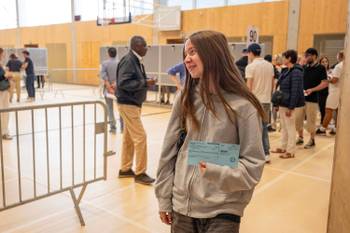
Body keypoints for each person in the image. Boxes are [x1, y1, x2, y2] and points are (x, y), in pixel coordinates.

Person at [155, 30, 265, 233]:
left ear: (213, 54)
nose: (187, 59)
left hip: (223, 211)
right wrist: (164, 198)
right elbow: (168, 151)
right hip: (182, 209)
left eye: (193, 52)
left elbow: (253, 164)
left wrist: (215, 170)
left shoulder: (243, 106)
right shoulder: (184, 98)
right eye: (185, 54)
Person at [116, 36, 157, 185]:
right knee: (141, 137)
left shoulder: (135, 60)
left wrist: (145, 81)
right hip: (128, 103)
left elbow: (132, 80)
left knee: (128, 139)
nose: (146, 48)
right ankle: (140, 173)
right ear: (137, 46)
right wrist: (145, 82)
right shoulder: (129, 60)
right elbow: (124, 82)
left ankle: (125, 169)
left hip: (133, 103)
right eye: (145, 46)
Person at [271, 50, 305, 159]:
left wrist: (291, 107)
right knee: (284, 127)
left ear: (289, 58)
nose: (282, 59)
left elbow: (295, 90)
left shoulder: (296, 72)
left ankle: (291, 151)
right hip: (283, 102)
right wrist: (276, 103)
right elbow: (279, 86)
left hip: (289, 104)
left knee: (290, 128)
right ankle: (283, 147)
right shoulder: (286, 70)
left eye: (284, 57)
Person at [245, 43, 275, 163]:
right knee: (263, 128)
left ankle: (259, 153)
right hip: (266, 101)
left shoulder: (250, 67)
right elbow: (273, 84)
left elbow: (249, 87)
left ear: (251, 53)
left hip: (255, 102)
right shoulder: (270, 66)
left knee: (254, 128)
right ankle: (266, 153)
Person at [296, 48, 328, 148]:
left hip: (313, 99)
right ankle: (300, 137)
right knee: (297, 119)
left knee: (311, 121)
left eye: (308, 55)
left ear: (314, 56)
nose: (306, 57)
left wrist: (312, 90)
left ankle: (312, 140)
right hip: (301, 98)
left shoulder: (321, 68)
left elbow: (324, 83)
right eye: (305, 55)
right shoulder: (304, 67)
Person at [316, 51, 344, 135]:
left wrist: (327, 80)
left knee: (328, 110)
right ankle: (336, 128)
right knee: (337, 111)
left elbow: (335, 80)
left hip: (334, 91)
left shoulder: (339, 66)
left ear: (339, 56)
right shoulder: (345, 65)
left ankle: (323, 128)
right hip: (338, 91)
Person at [100, 47, 124, 134]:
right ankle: (122, 127)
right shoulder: (120, 63)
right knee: (121, 108)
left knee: (110, 108)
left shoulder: (104, 63)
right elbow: (122, 75)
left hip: (108, 89)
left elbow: (104, 76)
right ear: (116, 53)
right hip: (119, 89)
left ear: (108, 53)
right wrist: (116, 84)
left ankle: (113, 127)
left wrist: (109, 87)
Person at [0, 48, 13, 140]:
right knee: (4, 111)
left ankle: (4, 131)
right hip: (2, 90)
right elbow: (2, 76)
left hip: (3, 90)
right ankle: (4, 132)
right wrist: (6, 75)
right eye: (2, 54)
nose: (3, 56)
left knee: (4, 111)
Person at [317, 56, 331, 125]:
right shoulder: (318, 72)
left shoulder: (331, 71)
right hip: (321, 92)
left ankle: (325, 125)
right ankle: (322, 124)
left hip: (330, 92)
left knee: (328, 110)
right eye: (323, 62)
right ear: (320, 63)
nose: (325, 63)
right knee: (322, 109)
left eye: (326, 61)